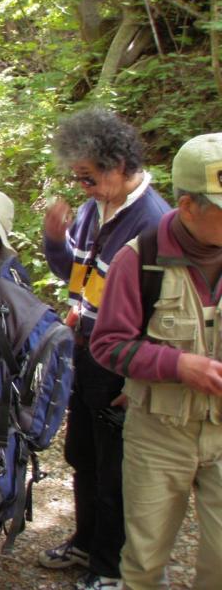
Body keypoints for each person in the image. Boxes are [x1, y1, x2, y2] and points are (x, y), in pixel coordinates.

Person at [39, 107, 170, 590]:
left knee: (116, 470)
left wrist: (138, 379)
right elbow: (72, 275)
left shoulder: (153, 222)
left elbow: (160, 312)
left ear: (117, 165)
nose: (82, 189)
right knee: (83, 454)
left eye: (88, 178)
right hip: (85, 349)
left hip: (120, 364)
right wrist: (55, 239)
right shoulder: (97, 209)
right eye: (77, 179)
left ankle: (110, 567)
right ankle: (86, 540)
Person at [90, 133, 222, 590]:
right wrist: (180, 366)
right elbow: (107, 345)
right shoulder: (140, 259)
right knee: (144, 562)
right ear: (188, 207)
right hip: (159, 433)